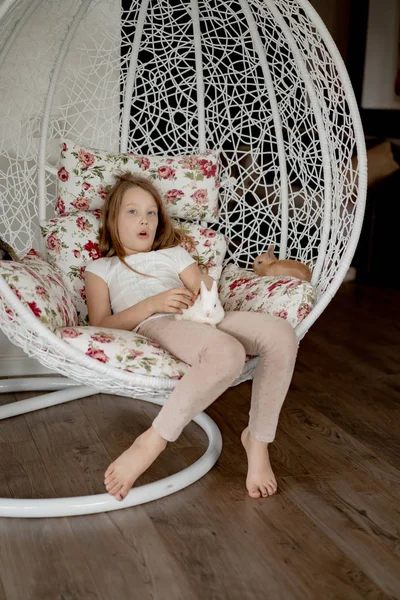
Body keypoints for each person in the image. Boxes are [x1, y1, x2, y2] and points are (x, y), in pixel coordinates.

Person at [84, 172, 299, 502]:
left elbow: (207, 289)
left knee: (281, 334)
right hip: (159, 322)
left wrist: (203, 289)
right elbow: (100, 322)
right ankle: (153, 439)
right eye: (132, 211)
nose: (144, 220)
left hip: (201, 316)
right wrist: (152, 304)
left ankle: (257, 439)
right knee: (227, 353)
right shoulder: (102, 269)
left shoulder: (174, 254)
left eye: (151, 212)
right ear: (113, 218)